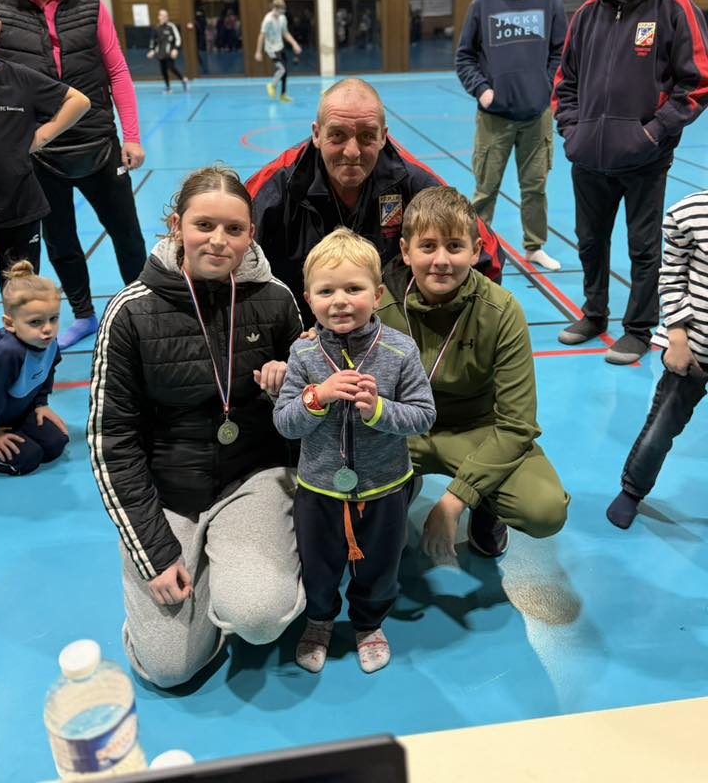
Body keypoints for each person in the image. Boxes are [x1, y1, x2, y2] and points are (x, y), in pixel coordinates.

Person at [87, 165, 305, 688]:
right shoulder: (129, 312)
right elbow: (111, 442)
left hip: (251, 478)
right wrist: (155, 554)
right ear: (176, 226)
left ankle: (230, 577)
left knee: (258, 618)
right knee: (168, 668)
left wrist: (288, 393)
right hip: (166, 490)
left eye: (234, 229)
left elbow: (307, 405)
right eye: (204, 225)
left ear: (251, 234)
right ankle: (190, 576)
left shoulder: (276, 299)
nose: (218, 240)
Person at [274, 229, 435, 674]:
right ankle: (320, 621)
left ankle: (368, 623)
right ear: (309, 299)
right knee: (318, 565)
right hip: (319, 488)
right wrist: (317, 398)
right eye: (327, 291)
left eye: (354, 289)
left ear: (377, 294)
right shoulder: (303, 353)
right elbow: (285, 422)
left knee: (381, 566)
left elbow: (424, 416)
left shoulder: (400, 350)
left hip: (385, 487)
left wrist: (380, 411)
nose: (340, 301)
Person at [378, 186, 569, 561]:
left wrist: (456, 499)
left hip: (476, 429)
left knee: (544, 509)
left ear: (476, 250)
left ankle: (486, 506)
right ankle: (398, 491)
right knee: (338, 479)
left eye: (455, 246)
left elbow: (517, 424)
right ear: (405, 251)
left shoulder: (501, 310)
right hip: (403, 427)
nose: (441, 260)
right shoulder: (378, 304)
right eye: (427, 246)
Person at [553, 0, 708, 365]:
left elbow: (697, 83)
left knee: (643, 248)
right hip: (589, 158)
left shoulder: (674, 7)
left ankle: (638, 328)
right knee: (589, 241)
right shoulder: (587, 13)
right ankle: (594, 314)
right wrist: (573, 131)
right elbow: (565, 81)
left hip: (644, 160)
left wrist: (652, 133)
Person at [0, 0, 147, 351]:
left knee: (127, 234)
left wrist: (132, 136)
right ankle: (84, 314)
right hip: (37, 156)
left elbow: (117, 70)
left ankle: (143, 311)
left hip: (99, 143)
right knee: (61, 242)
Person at [246, 78, 504, 327]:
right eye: (337, 135)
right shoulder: (275, 187)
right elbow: (231, 259)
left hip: (389, 342)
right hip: (298, 340)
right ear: (316, 134)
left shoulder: (412, 183)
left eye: (367, 136)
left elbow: (486, 254)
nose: (352, 152)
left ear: (384, 137)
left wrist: (455, 332)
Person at [456, 0, 567, 273]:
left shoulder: (550, 1)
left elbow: (561, 52)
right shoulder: (484, 2)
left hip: (536, 116)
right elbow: (464, 56)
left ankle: (534, 247)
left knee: (535, 188)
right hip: (495, 118)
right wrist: (483, 90)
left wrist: (545, 85)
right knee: (486, 189)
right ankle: (476, 249)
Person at [607, 190, 708, 529]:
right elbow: (672, 276)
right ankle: (632, 491)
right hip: (693, 351)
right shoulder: (690, 213)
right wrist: (677, 337)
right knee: (661, 428)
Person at [0, 0, 90, 291]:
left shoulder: (17, 78)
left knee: (21, 293)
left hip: (19, 209)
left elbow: (78, 101)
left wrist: (42, 136)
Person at [0, 261, 69, 476]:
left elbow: (47, 371)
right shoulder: (6, 353)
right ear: (9, 324)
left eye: (53, 319)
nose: (48, 329)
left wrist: (41, 403)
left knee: (55, 443)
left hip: (15, 412)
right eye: (35, 322)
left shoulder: (47, 341)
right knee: (27, 459)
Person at [254, 0, 302, 103]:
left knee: (285, 71)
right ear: (274, 8)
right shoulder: (268, 20)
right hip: (271, 49)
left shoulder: (282, 18)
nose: (282, 11)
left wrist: (294, 44)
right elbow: (261, 35)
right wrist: (258, 51)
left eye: (283, 9)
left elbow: (285, 33)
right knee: (282, 69)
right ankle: (272, 85)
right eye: (280, 9)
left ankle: (283, 95)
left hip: (280, 47)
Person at [147, 9, 188, 93]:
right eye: (162, 15)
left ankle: (183, 79)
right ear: (159, 17)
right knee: (163, 70)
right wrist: (152, 50)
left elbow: (178, 39)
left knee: (171, 67)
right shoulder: (156, 28)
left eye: (166, 16)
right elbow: (153, 41)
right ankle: (168, 87)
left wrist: (175, 49)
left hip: (170, 52)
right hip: (160, 53)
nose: (164, 17)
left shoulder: (171, 26)